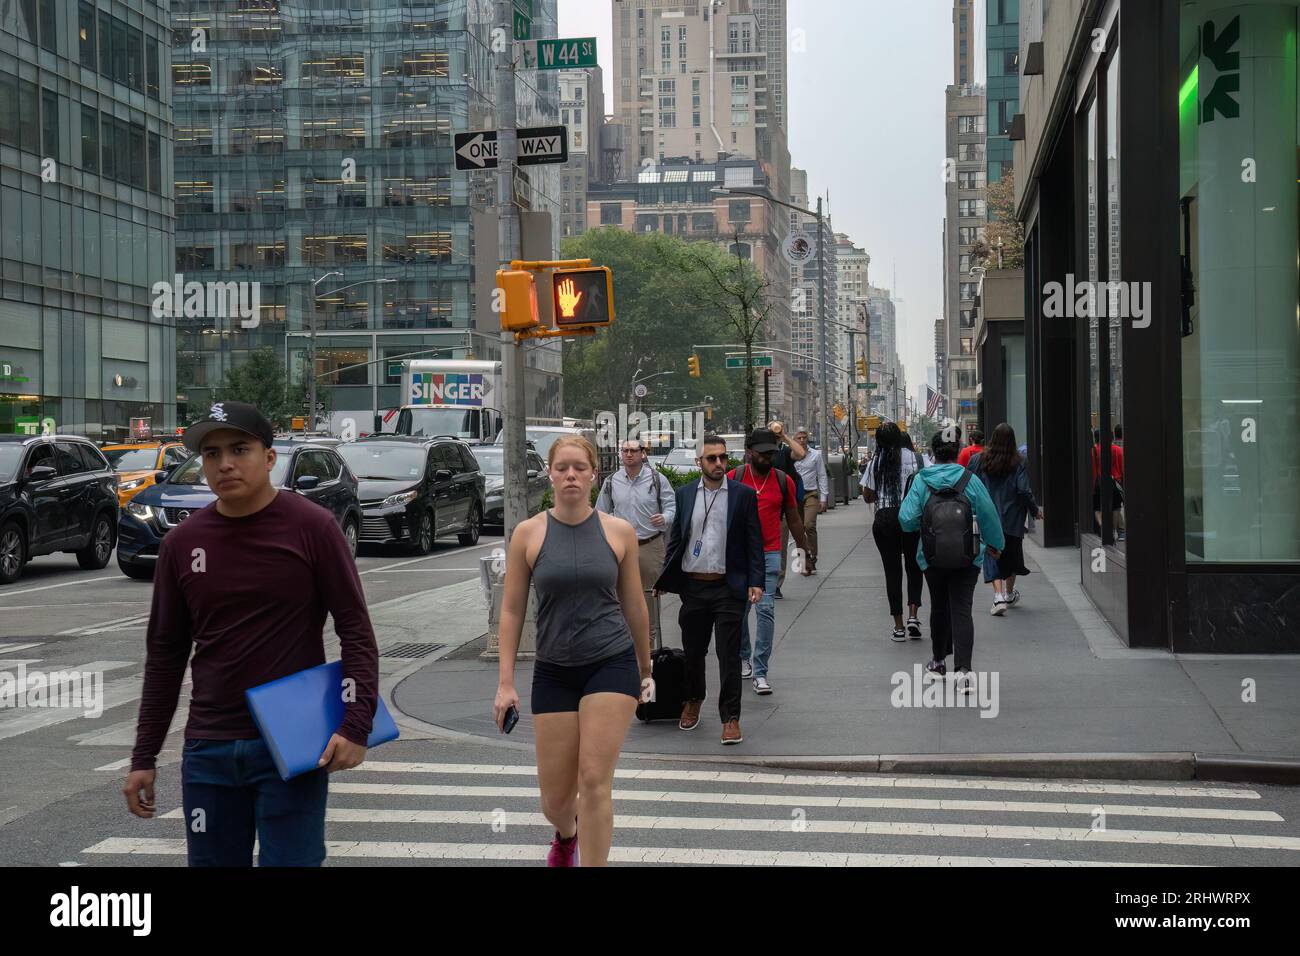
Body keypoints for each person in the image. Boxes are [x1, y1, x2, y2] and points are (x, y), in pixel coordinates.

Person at [124, 401, 379, 867]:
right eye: (211, 453)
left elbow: (356, 631)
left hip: (291, 743)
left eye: (239, 448)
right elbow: (165, 654)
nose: (224, 463)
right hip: (208, 748)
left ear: (268, 456)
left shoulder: (312, 528)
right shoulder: (183, 544)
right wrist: (144, 756)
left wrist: (355, 723)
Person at [493, 436, 653, 867]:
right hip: (554, 670)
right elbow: (510, 611)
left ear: (593, 474)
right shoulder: (528, 534)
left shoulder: (619, 532)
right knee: (556, 799)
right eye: (562, 467)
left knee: (595, 779)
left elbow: (635, 605)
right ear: (549, 473)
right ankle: (567, 832)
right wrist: (505, 684)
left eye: (579, 468)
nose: (570, 475)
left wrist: (645, 667)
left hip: (611, 663)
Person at [654, 435, 765, 744]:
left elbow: (754, 540)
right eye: (712, 458)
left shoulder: (743, 495)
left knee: (728, 655)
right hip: (694, 587)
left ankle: (730, 718)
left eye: (723, 458)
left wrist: (757, 581)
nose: (719, 464)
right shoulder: (685, 494)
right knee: (693, 652)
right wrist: (664, 579)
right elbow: (677, 540)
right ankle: (693, 699)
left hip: (728, 588)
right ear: (699, 463)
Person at [899, 427, 1004, 694]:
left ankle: (938, 662)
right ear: (957, 452)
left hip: (932, 558)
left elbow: (906, 519)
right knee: (961, 610)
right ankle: (964, 673)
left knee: (938, 607)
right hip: (968, 557)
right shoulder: (970, 479)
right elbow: (989, 514)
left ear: (932, 452)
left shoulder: (922, 480)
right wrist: (995, 545)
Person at [729, 428, 811, 694]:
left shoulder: (782, 480)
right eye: (763, 454)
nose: (768, 458)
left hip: (769, 552)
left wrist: (804, 550)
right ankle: (744, 656)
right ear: (749, 453)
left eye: (772, 454)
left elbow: (794, 518)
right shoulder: (735, 478)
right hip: (739, 555)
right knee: (739, 611)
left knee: (765, 610)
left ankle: (760, 670)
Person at [597, 438, 676, 644]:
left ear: (643, 453)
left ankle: (648, 656)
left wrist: (665, 517)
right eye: (624, 451)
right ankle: (621, 647)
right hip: (620, 549)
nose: (628, 454)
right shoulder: (612, 482)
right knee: (618, 598)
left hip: (649, 545)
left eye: (633, 450)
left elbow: (672, 507)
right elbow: (600, 514)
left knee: (649, 600)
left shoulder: (657, 480)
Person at [968, 423, 1043, 615]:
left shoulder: (978, 460)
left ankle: (998, 595)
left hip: (988, 515)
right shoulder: (1019, 461)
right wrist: (1034, 510)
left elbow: (969, 485)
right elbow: (1023, 490)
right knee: (1011, 554)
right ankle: (1009, 594)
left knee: (992, 553)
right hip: (1013, 517)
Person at [861, 422, 924, 641]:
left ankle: (898, 626)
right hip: (912, 519)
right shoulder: (918, 460)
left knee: (892, 571)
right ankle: (913, 615)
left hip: (885, 519)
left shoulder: (875, 463)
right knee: (915, 567)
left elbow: (868, 495)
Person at [768, 421, 806, 598]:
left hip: (782, 508)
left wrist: (783, 436)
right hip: (761, 505)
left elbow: (800, 453)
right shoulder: (760, 453)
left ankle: (775, 583)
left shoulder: (784, 452)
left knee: (780, 547)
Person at [792, 427, 829, 573]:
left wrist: (824, 498)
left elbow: (822, 475)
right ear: (794, 440)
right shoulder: (790, 455)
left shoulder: (815, 455)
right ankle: (803, 560)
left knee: (809, 525)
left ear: (807, 439)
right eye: (798, 438)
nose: (801, 440)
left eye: (804, 437)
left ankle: (813, 555)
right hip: (794, 496)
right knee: (798, 530)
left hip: (810, 494)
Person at [1091, 428, 1126, 537]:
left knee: (1097, 507)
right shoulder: (1118, 450)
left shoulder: (1094, 451)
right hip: (1115, 482)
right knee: (1116, 507)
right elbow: (1123, 469)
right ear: (1112, 437)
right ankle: (1113, 530)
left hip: (1099, 482)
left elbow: (1092, 469)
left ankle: (1102, 524)